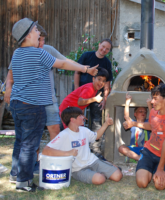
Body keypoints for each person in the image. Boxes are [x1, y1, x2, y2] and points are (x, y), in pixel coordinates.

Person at [9, 18, 98, 192]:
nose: (38, 33)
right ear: (28, 35)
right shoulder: (38, 53)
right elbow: (63, 63)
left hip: (17, 105)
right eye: (36, 30)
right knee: (30, 145)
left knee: (20, 141)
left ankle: (15, 174)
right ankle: (24, 182)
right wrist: (86, 69)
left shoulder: (16, 54)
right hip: (33, 107)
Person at [5, 24, 78, 176]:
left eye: (42, 39)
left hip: (41, 100)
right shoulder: (32, 53)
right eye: (38, 38)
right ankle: (27, 172)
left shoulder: (29, 51)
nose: (41, 43)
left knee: (30, 137)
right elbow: (11, 73)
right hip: (33, 102)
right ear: (30, 37)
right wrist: (8, 89)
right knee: (30, 141)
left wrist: (81, 66)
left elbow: (65, 60)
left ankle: (24, 170)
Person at [42, 107, 123, 185]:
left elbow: (96, 136)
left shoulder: (84, 130)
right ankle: (103, 170)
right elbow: (46, 151)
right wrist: (67, 153)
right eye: (80, 116)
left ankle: (104, 167)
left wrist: (106, 123)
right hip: (77, 169)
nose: (83, 117)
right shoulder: (63, 135)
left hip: (92, 161)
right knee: (100, 179)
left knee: (117, 176)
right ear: (72, 120)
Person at [123, 84, 165, 190]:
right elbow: (152, 126)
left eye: (155, 99)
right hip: (149, 152)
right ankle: (148, 167)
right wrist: (133, 124)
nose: (152, 102)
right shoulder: (153, 112)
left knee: (160, 186)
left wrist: (160, 169)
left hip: (164, 155)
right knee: (142, 183)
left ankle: (156, 169)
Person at [118, 93, 152, 162]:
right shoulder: (132, 122)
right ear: (135, 114)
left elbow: (153, 117)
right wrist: (127, 102)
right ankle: (138, 158)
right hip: (134, 149)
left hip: (146, 149)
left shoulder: (148, 122)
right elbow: (126, 117)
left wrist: (149, 104)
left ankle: (137, 158)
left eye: (145, 112)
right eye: (140, 111)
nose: (143, 113)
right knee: (121, 148)